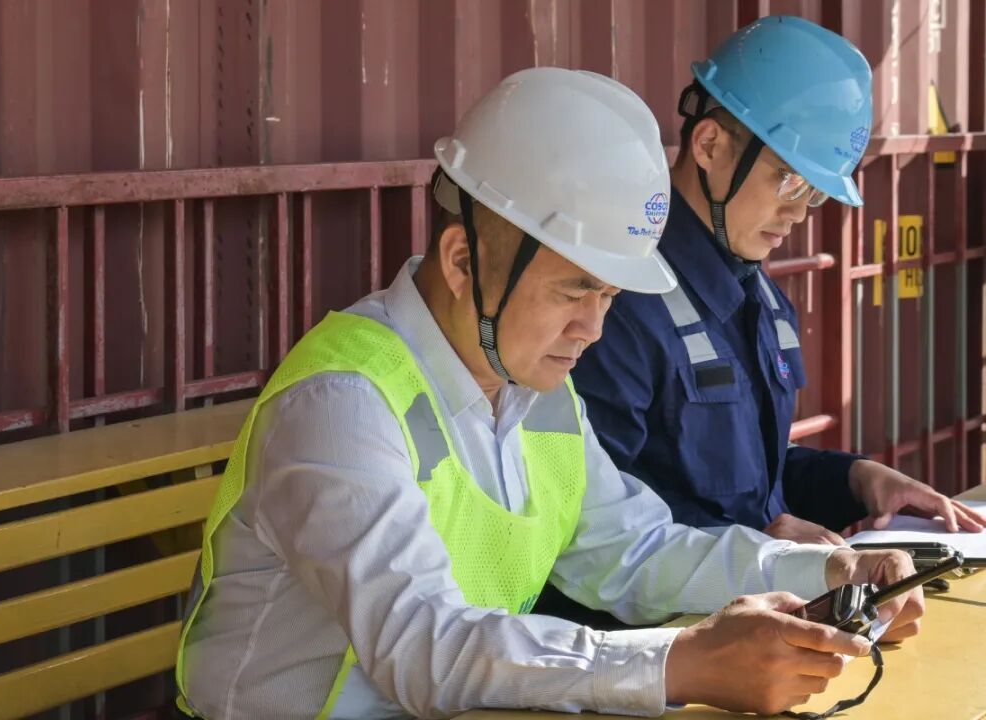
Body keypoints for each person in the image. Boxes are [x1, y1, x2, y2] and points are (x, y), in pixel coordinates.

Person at [175, 66, 922, 720]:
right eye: (573, 290)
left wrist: (828, 573)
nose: (592, 329)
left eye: (609, 296)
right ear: (462, 261)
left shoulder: (538, 395)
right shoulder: (342, 404)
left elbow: (632, 550)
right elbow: (424, 648)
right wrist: (680, 663)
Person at [568, 16, 986, 545]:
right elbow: (595, 522)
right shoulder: (617, 305)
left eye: (814, 192)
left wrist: (859, 479)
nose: (799, 213)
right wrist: (759, 548)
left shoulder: (761, 299)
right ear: (709, 145)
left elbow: (753, 480)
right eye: (788, 179)